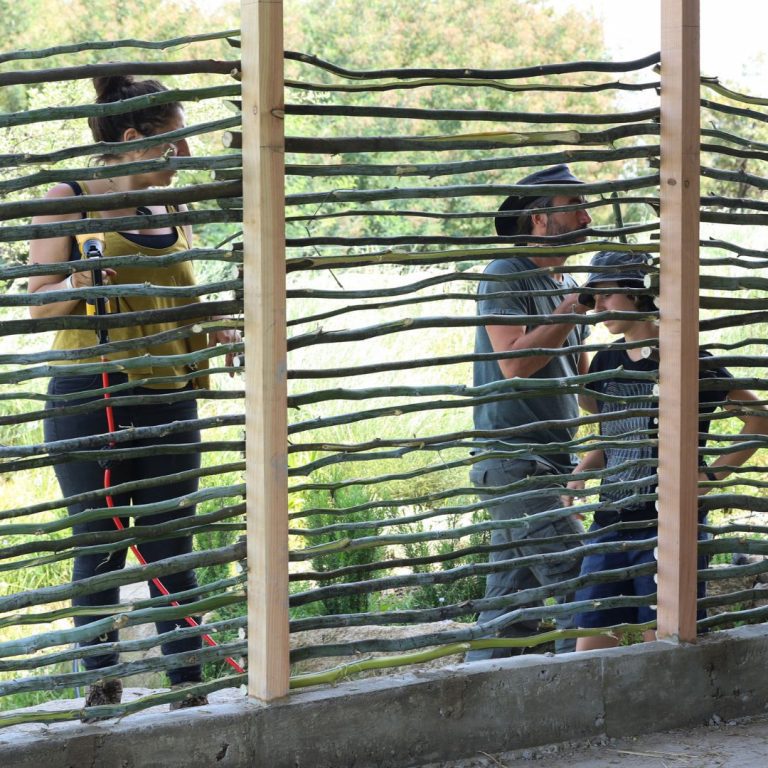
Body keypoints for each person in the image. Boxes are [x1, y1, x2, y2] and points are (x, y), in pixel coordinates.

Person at [29, 75, 238, 710]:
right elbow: (39, 307)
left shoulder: (170, 208)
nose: (186, 157)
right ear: (136, 139)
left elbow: (174, 291)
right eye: (176, 143)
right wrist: (80, 281)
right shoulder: (68, 199)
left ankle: (187, 688)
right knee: (101, 549)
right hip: (91, 394)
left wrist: (216, 324)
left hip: (172, 394)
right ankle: (101, 686)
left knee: (172, 547)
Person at [564, 251, 768, 650]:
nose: (599, 307)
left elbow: (758, 419)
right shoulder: (606, 359)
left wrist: (706, 480)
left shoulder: (689, 358)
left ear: (637, 293)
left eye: (606, 295)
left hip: (669, 524)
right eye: (595, 298)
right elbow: (618, 435)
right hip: (610, 521)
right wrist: (582, 471)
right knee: (589, 639)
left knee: (660, 640)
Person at [467, 164, 593, 661]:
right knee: (583, 581)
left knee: (510, 607)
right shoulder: (505, 274)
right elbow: (515, 362)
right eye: (575, 208)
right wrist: (572, 309)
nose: (587, 217)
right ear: (541, 218)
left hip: (554, 465)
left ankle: (476, 701)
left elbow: (581, 387)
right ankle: (582, 707)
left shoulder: (569, 284)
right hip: (516, 465)